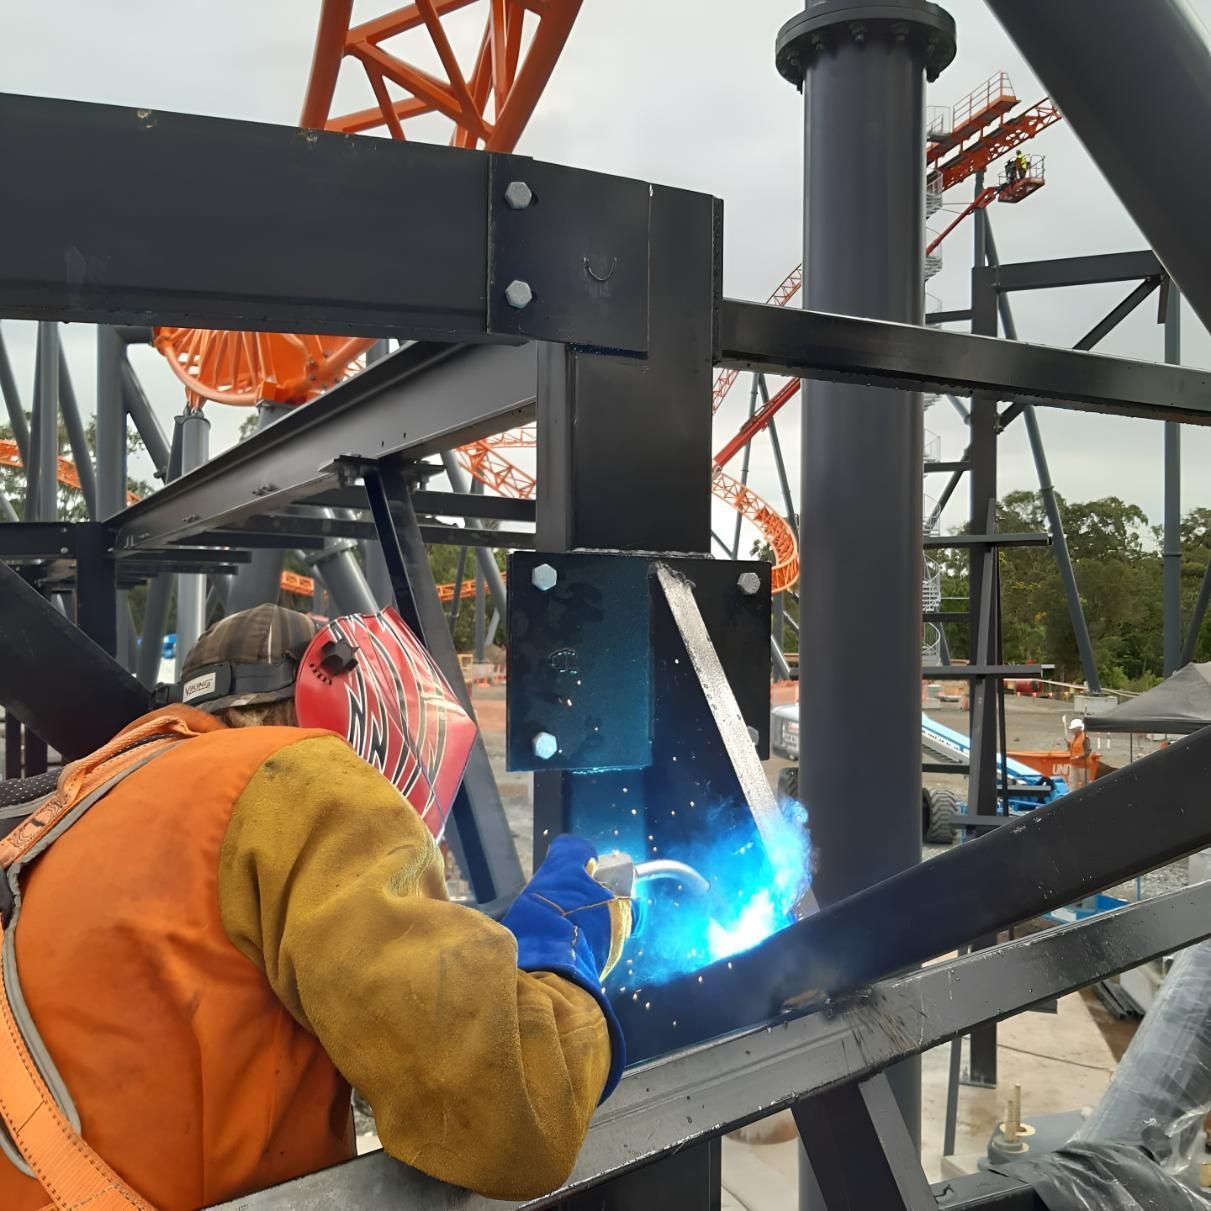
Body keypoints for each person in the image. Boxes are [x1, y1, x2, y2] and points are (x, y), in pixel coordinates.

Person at [0, 604, 631, 1210]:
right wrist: (565, 957)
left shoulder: (95, 799)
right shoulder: (295, 782)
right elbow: (504, 1118)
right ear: (337, 697)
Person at [1067, 717, 1091, 789]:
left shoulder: (1085, 738)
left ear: (1078, 728)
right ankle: (1071, 796)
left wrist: (1078, 756)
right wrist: (1068, 745)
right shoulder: (1074, 738)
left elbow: (1088, 751)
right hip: (1074, 764)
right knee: (1072, 782)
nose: (1072, 731)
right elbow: (1072, 749)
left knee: (1084, 783)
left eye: (1073, 729)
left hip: (1083, 765)